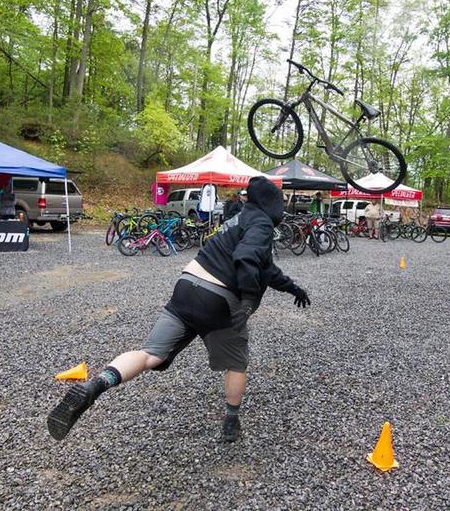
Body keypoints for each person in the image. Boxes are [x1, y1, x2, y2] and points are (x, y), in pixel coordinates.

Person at [47, 176, 311, 443]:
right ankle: (231, 422)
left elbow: (266, 268)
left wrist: (292, 288)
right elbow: (246, 257)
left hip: (186, 286)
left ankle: (97, 384)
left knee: (150, 354)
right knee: (237, 363)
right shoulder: (263, 223)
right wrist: (247, 299)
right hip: (218, 298)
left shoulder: (239, 219)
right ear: (273, 203)